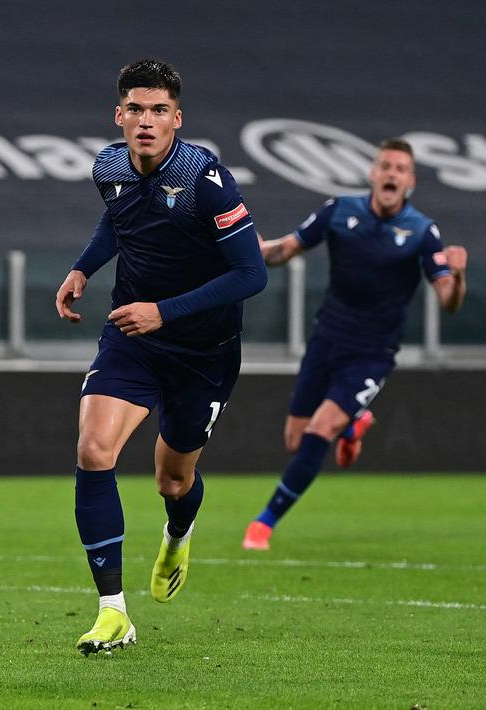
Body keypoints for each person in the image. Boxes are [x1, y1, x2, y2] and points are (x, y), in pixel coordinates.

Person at [55, 59, 267, 656]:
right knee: (94, 449)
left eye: (158, 111)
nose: (145, 122)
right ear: (118, 115)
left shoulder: (206, 178)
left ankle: (179, 532)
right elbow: (117, 221)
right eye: (135, 110)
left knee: (173, 479)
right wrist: (82, 267)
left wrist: (165, 311)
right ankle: (113, 613)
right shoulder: (108, 166)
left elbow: (251, 275)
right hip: (133, 338)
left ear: (176, 118)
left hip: (203, 351)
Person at [242, 139, 468, 551]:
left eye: (400, 169)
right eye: (385, 166)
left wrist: (459, 275)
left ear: (410, 181)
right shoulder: (339, 210)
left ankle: (264, 523)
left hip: (373, 353)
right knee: (295, 440)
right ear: (373, 173)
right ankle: (355, 422)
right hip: (327, 338)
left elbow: (448, 301)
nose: (392, 174)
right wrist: (257, 249)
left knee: (318, 429)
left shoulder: (422, 231)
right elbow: (286, 249)